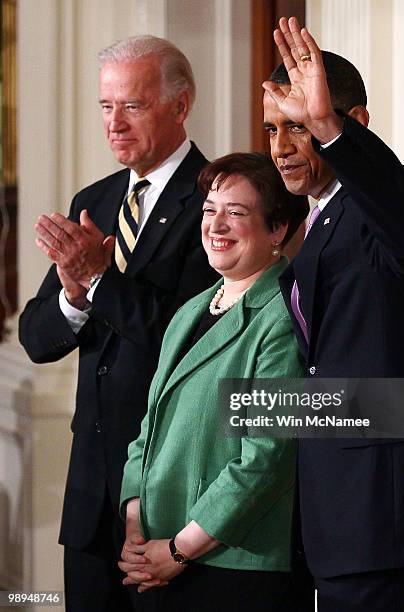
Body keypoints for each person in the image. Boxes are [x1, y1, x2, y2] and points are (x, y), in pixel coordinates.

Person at [262, 16, 404, 611]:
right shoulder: (319, 222)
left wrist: (327, 127)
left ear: (354, 125)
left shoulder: (395, 202)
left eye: (297, 127)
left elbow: (397, 213)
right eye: (273, 129)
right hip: (344, 526)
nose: (280, 147)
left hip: (397, 526)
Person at [18, 35, 219, 612]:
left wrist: (102, 281)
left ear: (180, 106)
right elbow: (36, 338)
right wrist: (76, 296)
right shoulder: (96, 200)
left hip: (169, 491)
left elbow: (192, 340)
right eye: (107, 107)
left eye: (132, 106)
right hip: (90, 493)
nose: (115, 123)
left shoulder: (217, 197)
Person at [117, 153, 312, 612]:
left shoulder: (282, 317)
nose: (216, 225)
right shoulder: (190, 311)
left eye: (236, 213)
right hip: (155, 556)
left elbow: (266, 459)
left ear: (278, 230)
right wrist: (134, 528)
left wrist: (180, 549)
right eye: (209, 210)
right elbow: (149, 427)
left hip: (229, 566)